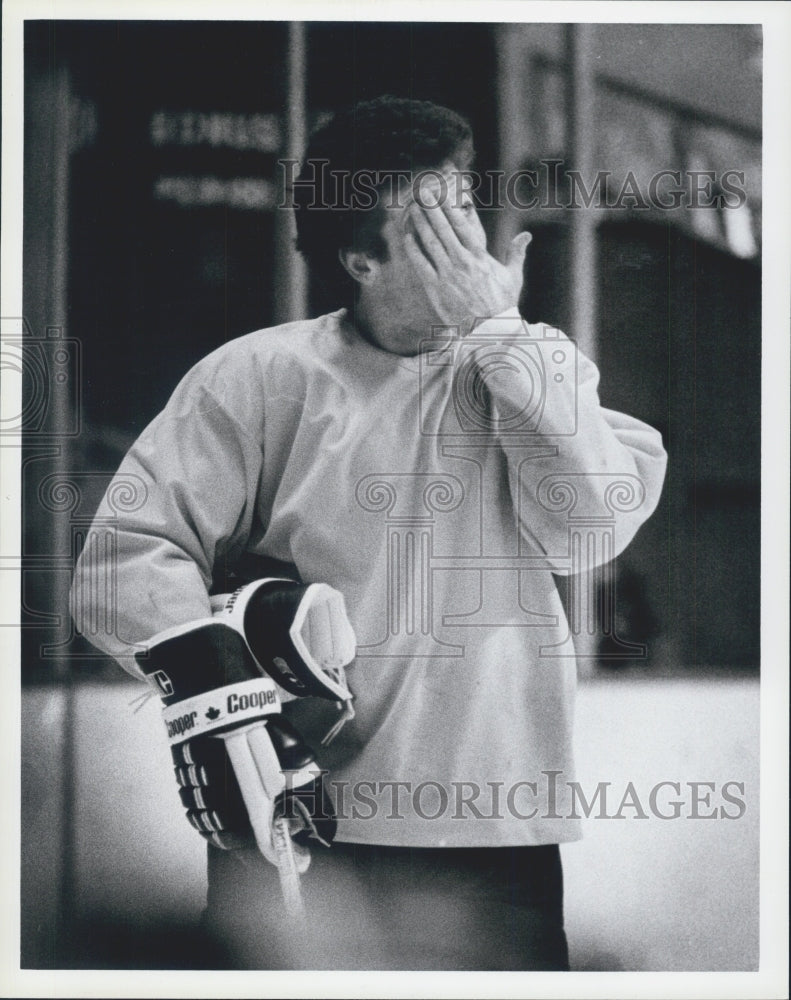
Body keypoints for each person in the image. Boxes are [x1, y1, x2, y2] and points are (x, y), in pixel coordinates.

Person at [71, 95, 667, 970]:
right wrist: (214, 685)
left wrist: (501, 334)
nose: (467, 245)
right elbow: (122, 557)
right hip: (299, 820)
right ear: (360, 258)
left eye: (465, 208)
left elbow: (592, 528)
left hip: (497, 831)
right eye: (429, 226)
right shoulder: (257, 378)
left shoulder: (531, 363)